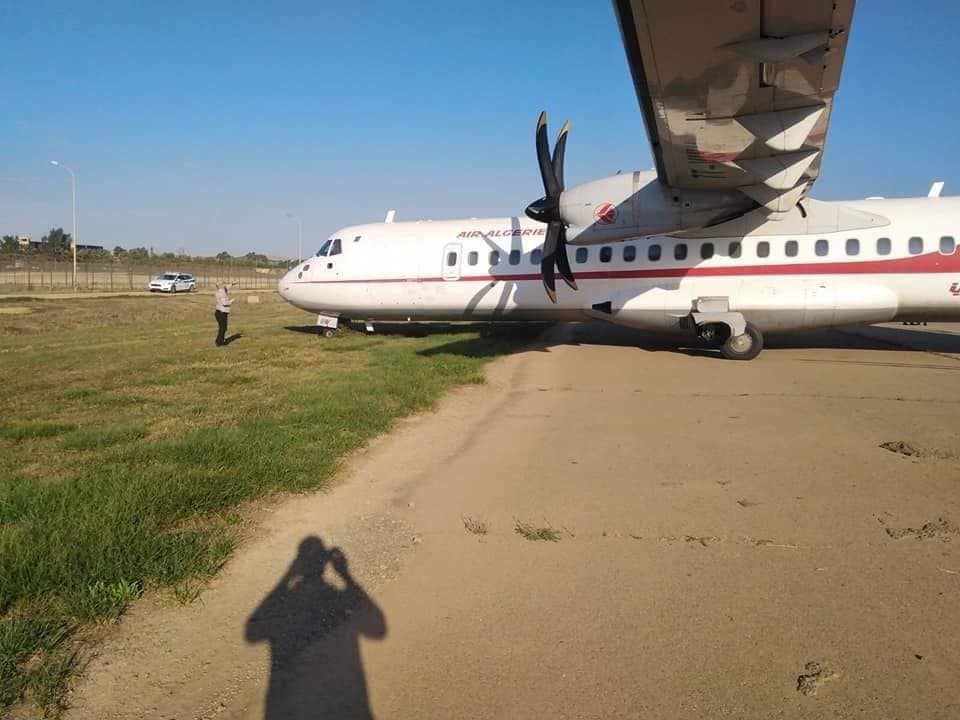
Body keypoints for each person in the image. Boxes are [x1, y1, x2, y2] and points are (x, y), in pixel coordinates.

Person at [214, 282, 233, 346]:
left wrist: (232, 284)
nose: (225, 284)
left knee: (223, 328)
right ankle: (219, 342)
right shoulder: (221, 293)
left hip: (220, 313)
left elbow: (227, 287)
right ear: (220, 286)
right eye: (223, 283)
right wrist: (231, 301)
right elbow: (224, 303)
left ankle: (221, 340)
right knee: (223, 328)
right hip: (221, 313)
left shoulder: (221, 290)